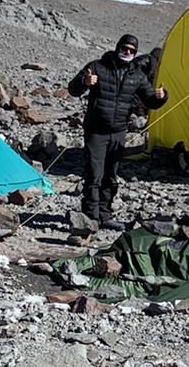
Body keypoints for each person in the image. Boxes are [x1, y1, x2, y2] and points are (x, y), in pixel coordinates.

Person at [67, 33, 166, 235]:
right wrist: (85, 82)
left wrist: (162, 97)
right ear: (118, 47)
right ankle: (90, 216)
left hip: (118, 132)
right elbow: (73, 89)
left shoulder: (137, 76)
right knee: (94, 173)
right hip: (96, 130)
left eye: (132, 50)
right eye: (125, 48)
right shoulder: (96, 67)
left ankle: (105, 214)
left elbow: (150, 101)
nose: (127, 52)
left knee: (110, 176)